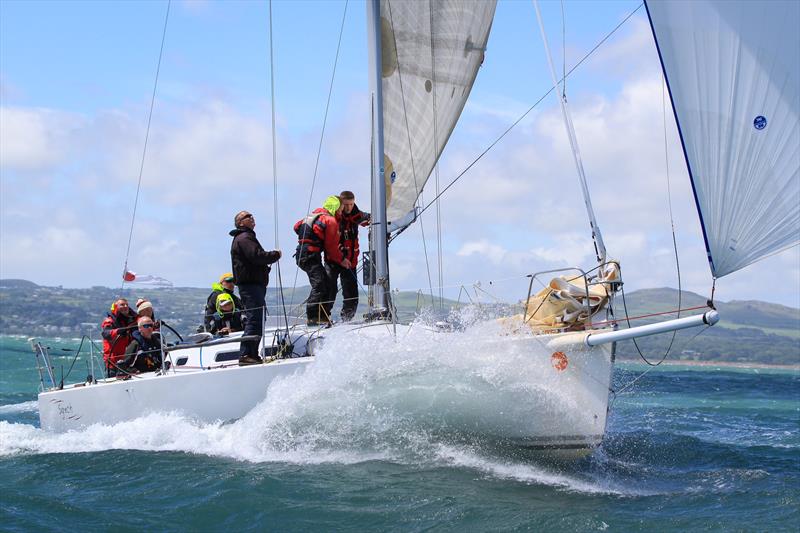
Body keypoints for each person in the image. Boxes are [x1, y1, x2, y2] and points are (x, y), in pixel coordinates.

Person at [230, 210, 282, 365]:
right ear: (240, 222)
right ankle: (246, 354)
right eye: (247, 217)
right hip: (251, 286)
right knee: (254, 319)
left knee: (257, 318)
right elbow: (256, 256)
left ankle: (251, 354)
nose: (252, 218)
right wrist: (275, 255)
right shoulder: (244, 237)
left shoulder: (245, 237)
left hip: (254, 285)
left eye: (252, 215)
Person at [294, 195, 350, 325]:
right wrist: (342, 260)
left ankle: (322, 315)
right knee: (319, 285)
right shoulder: (330, 221)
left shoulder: (311, 216)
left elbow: (296, 227)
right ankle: (313, 317)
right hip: (311, 256)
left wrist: (311, 236)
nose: (341, 212)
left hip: (302, 254)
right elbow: (331, 247)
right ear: (335, 208)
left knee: (326, 284)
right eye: (340, 209)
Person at [331, 190, 370, 321]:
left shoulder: (357, 214)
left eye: (351, 204)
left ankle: (346, 321)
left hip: (350, 262)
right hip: (335, 260)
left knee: (352, 295)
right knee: (329, 290)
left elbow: (368, 218)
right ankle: (322, 319)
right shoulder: (335, 216)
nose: (349, 208)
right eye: (346, 205)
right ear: (341, 204)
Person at [101, 298, 138, 377]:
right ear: (116, 307)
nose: (125, 306)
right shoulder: (109, 321)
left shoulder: (130, 320)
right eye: (122, 304)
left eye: (127, 305)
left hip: (126, 362)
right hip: (113, 364)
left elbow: (143, 322)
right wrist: (118, 331)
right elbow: (106, 333)